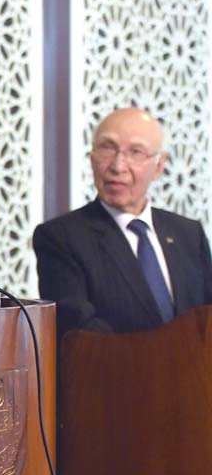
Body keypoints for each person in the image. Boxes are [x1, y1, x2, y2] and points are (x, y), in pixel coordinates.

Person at [33, 107, 212, 337]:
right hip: (115, 371)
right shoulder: (60, 237)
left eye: (136, 152)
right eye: (107, 148)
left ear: (159, 166)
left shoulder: (188, 233)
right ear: (91, 158)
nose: (118, 166)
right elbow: (79, 329)